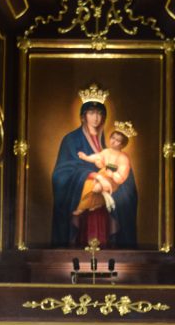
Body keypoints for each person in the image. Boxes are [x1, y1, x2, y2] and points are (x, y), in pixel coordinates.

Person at [50, 94, 138, 248]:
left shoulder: (107, 143)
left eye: (99, 113)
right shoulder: (71, 140)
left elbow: (113, 166)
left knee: (127, 193)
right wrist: (95, 176)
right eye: (91, 113)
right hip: (83, 195)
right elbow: (61, 173)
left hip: (105, 203)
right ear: (83, 116)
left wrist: (113, 174)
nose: (96, 118)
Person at [74, 124, 135, 220]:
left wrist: (113, 174)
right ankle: (88, 205)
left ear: (122, 144)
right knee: (88, 184)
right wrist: (86, 157)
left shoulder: (123, 158)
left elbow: (122, 175)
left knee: (97, 188)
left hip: (112, 180)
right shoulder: (106, 151)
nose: (113, 141)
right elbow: (97, 157)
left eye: (117, 140)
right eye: (113, 138)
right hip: (103, 174)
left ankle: (87, 206)